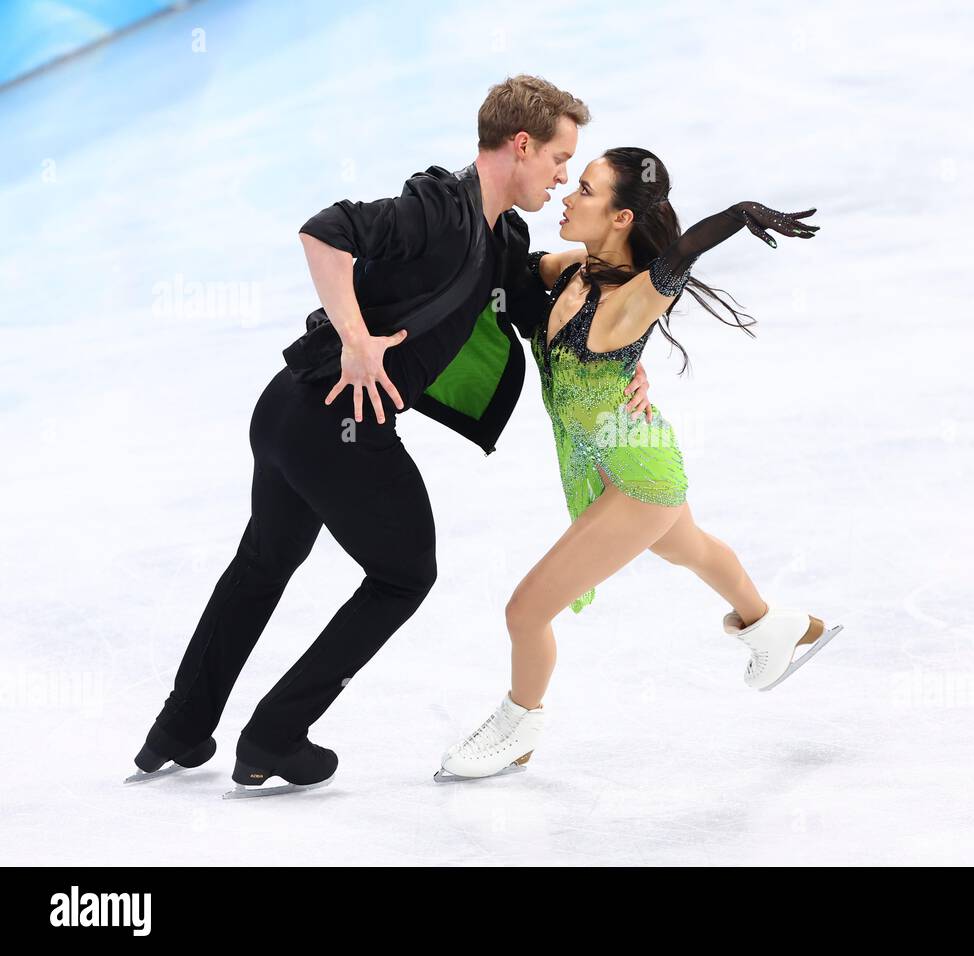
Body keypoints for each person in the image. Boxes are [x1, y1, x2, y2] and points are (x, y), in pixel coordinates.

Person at [124, 76, 657, 797]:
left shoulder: (501, 233)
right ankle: (275, 735)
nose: (564, 174)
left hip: (287, 410)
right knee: (405, 573)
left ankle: (180, 729)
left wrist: (627, 355)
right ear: (522, 145)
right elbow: (325, 230)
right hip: (330, 422)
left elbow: (537, 307)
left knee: (263, 562)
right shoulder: (440, 205)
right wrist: (355, 338)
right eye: (560, 157)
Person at [435, 147, 844, 782]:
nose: (568, 194)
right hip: (629, 454)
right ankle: (774, 628)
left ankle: (519, 726)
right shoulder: (576, 270)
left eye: (587, 189)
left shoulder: (629, 303)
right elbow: (510, 269)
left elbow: (679, 259)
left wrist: (739, 214)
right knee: (692, 550)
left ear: (621, 216)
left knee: (526, 611)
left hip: (637, 480)